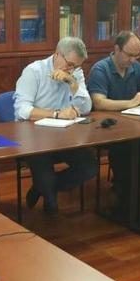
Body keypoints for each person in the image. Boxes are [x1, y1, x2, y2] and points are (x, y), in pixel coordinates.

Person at [14, 36, 97, 213]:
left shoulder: (75, 73)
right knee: (51, 203)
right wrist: (57, 114)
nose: (71, 69)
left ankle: (41, 188)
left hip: (65, 137)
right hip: (36, 139)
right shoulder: (34, 71)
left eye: (76, 66)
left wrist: (72, 83)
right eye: (69, 64)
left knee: (90, 167)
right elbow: (22, 110)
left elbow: (86, 107)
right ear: (57, 54)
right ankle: (47, 193)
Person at [88, 30, 140, 219]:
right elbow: (99, 102)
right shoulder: (101, 68)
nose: (133, 59)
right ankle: (125, 190)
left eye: (137, 55)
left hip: (134, 123)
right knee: (124, 147)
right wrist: (131, 102)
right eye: (129, 55)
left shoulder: (137, 68)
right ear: (116, 49)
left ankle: (133, 181)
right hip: (108, 126)